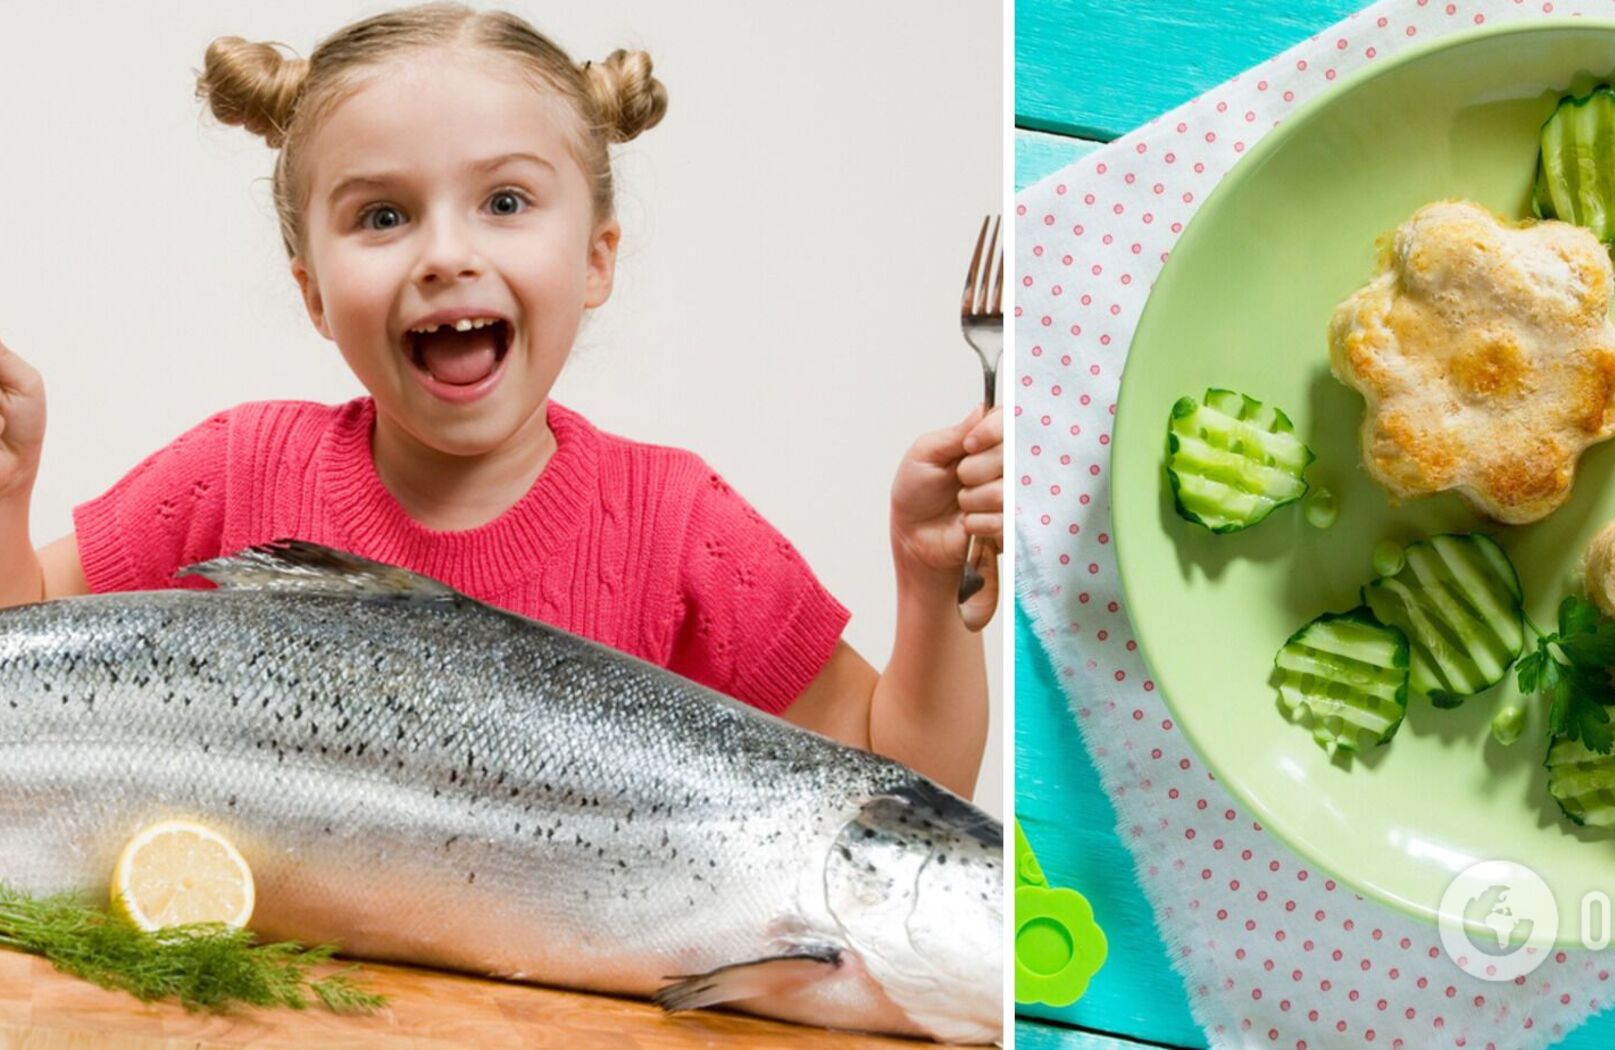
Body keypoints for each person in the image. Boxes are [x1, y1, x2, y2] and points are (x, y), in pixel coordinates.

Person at [0, 2, 1001, 797]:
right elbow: (17, 669)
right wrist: (7, 494)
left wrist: (929, 585)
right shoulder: (234, 474)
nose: (446, 255)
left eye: (507, 203)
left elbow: (901, 790)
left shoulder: (678, 528)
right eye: (383, 215)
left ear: (596, 259)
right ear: (310, 289)